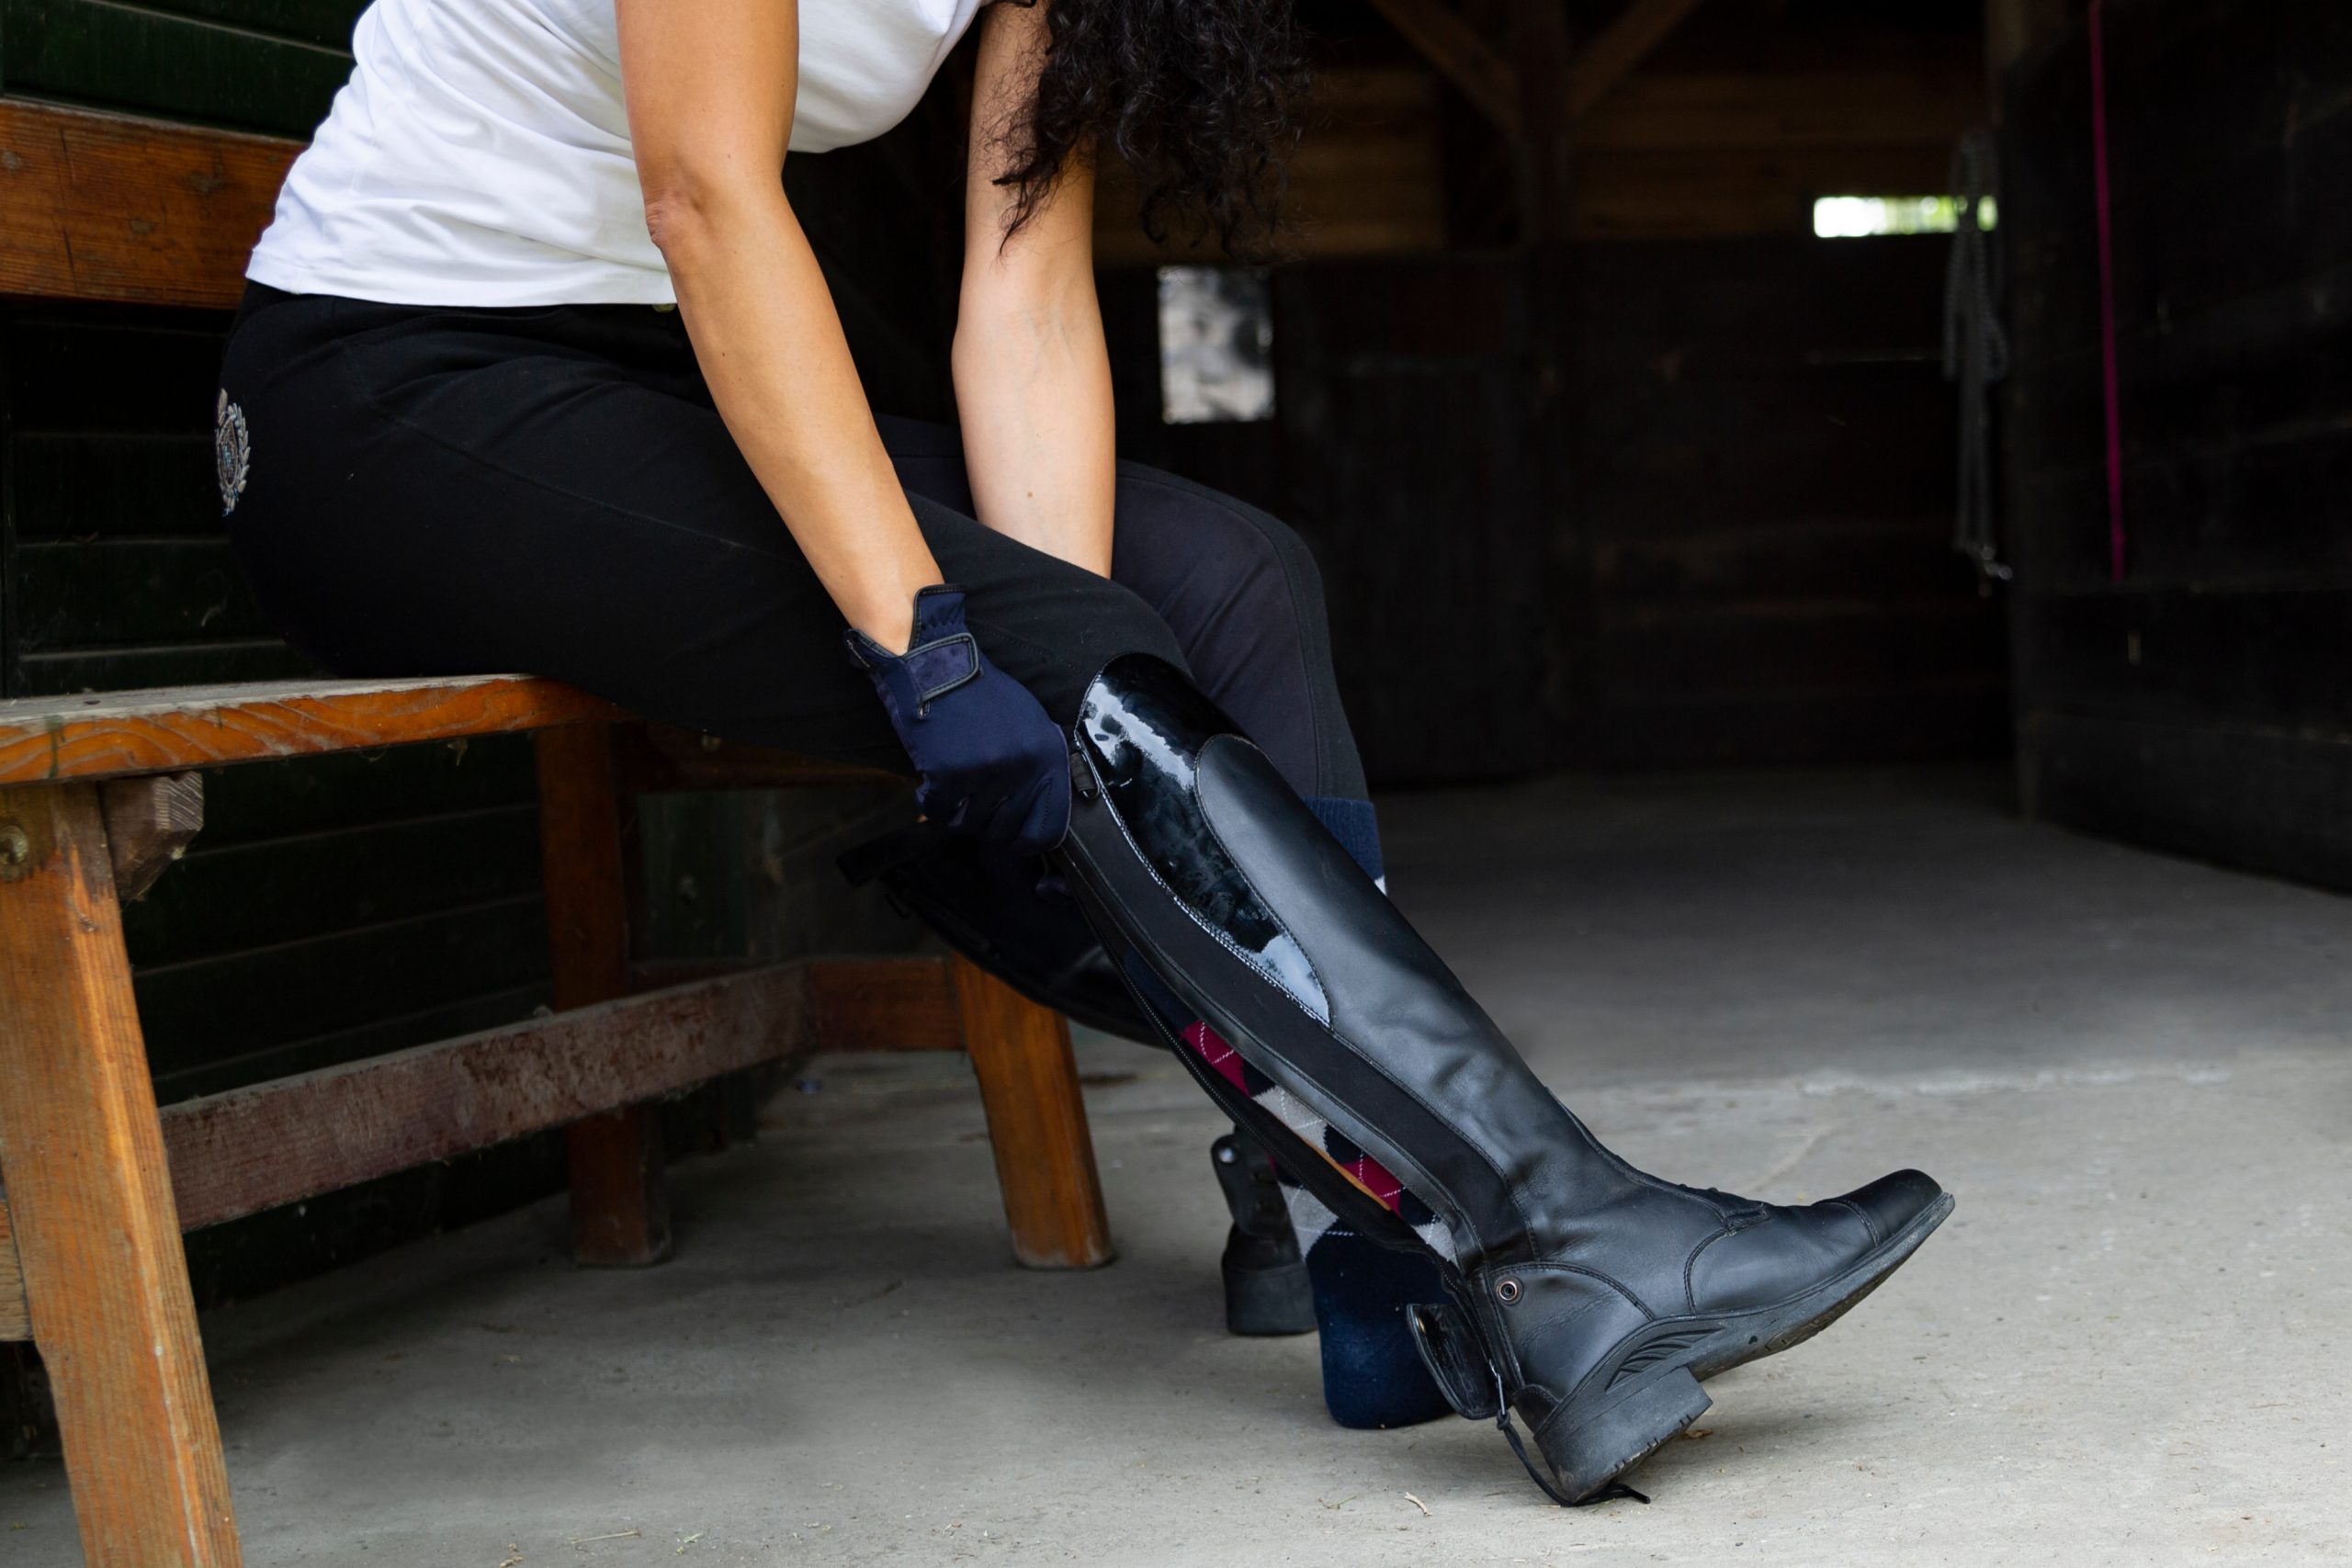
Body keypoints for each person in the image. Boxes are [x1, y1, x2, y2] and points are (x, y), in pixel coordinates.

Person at [218, 0, 1951, 1504]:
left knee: (1233, 580)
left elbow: (1024, 296)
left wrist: (1059, 668)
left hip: (647, 383)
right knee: (1071, 652)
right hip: (391, 401)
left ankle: (1372, 1264)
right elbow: (703, 190)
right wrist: (939, 645)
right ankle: (1555, 1224)